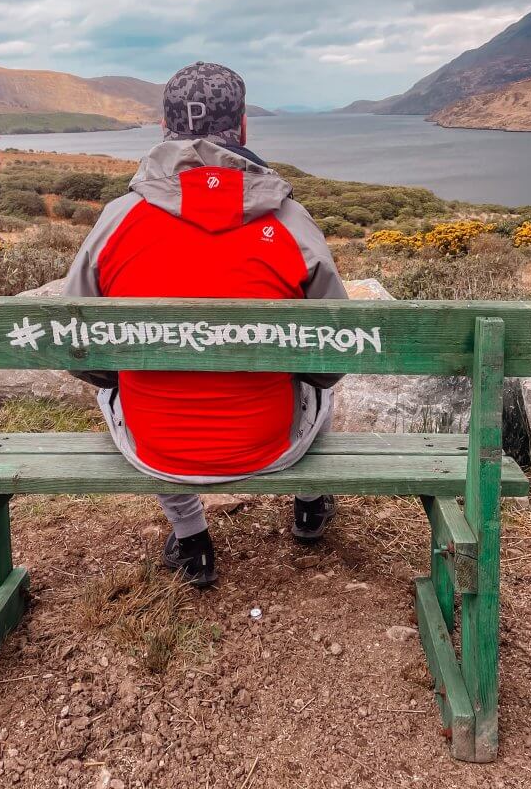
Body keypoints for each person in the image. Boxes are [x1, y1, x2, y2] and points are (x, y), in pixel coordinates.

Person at [64, 61, 347, 587]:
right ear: (242, 128)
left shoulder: (117, 220)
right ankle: (310, 505)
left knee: (122, 384)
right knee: (320, 384)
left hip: (158, 446)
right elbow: (334, 355)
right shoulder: (289, 223)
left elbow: (78, 345)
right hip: (272, 444)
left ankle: (191, 539)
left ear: (165, 129)